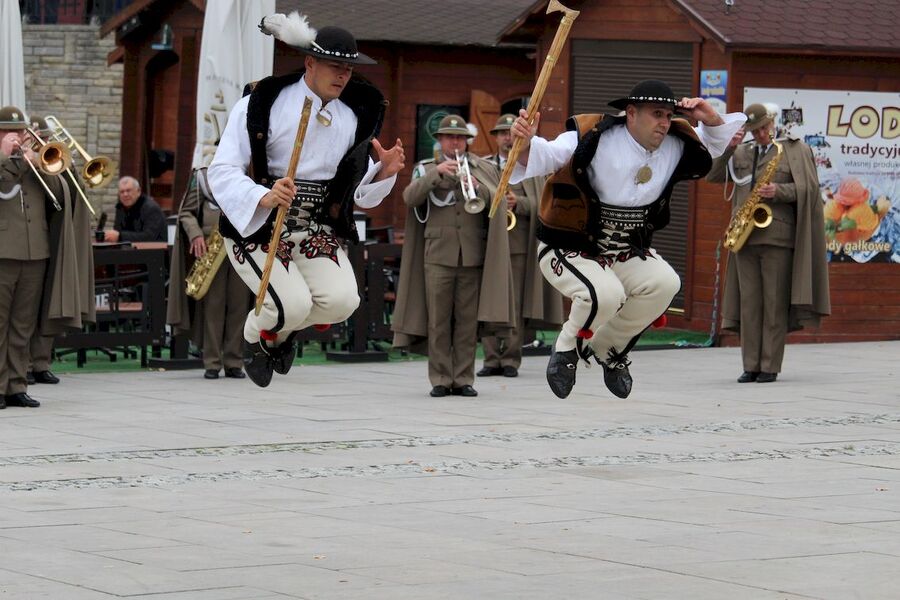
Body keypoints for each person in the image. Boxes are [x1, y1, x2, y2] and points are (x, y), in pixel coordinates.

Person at [509, 80, 746, 399]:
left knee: (665, 284)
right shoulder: (593, 134)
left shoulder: (676, 142)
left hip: (624, 250)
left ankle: (609, 349)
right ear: (631, 113)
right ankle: (566, 349)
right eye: (656, 114)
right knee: (605, 295)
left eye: (669, 115)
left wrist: (711, 118)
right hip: (570, 245)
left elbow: (714, 144)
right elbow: (545, 156)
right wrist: (524, 142)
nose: (664, 122)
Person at [208, 13, 404, 387]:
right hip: (260, 225)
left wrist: (384, 172)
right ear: (310, 62)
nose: (343, 75)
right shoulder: (263, 102)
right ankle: (255, 336)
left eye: (348, 68)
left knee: (343, 302)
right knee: (292, 304)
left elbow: (355, 190)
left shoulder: (351, 116)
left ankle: (277, 333)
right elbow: (221, 169)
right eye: (335, 66)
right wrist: (264, 195)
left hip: (314, 227)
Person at [707, 103, 830, 383]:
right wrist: (728, 147)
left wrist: (779, 191)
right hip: (744, 237)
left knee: (774, 304)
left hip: (777, 237)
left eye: (764, 128)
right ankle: (750, 365)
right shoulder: (742, 152)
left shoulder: (793, 151)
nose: (761, 134)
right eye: (755, 130)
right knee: (749, 304)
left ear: (772, 123)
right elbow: (713, 176)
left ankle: (769, 366)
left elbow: (810, 189)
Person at [392, 115, 513, 397]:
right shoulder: (425, 168)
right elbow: (410, 198)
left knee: (466, 323)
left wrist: (478, 186)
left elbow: (496, 202)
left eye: (460, 138)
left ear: (467, 141)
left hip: (471, 256)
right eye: (449, 137)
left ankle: (463, 379)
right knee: (438, 322)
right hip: (437, 256)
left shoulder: (482, 168)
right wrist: (436, 174)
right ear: (440, 140)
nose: (455, 142)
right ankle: (440, 379)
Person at [478, 113, 563, 378]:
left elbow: (543, 204)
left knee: (513, 306)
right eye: (502, 133)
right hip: (488, 247)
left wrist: (520, 204)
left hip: (517, 248)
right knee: (489, 301)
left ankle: (510, 360)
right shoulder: (483, 165)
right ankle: (490, 359)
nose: (507, 137)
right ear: (496, 138)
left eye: (510, 132)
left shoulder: (531, 167)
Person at [0, 106, 68, 408]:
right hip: (4, 251)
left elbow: (59, 196)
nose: (15, 136)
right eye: (7, 131)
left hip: (35, 252)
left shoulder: (33, 160)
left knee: (23, 324)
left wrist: (40, 162)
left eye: (18, 131)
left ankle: (16, 385)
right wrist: (5, 156)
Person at [167, 167, 250, 379]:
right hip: (211, 249)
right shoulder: (202, 177)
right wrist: (195, 235)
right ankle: (212, 362)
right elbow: (186, 212)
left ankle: (234, 361)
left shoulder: (248, 173)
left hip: (242, 247)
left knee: (239, 306)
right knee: (213, 307)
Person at [103, 176, 166, 243]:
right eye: (122, 192)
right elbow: (118, 232)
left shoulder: (151, 208)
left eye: (128, 191)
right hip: (129, 248)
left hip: (156, 248)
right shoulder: (120, 208)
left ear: (138, 191)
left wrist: (120, 236)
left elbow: (149, 237)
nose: (125, 194)